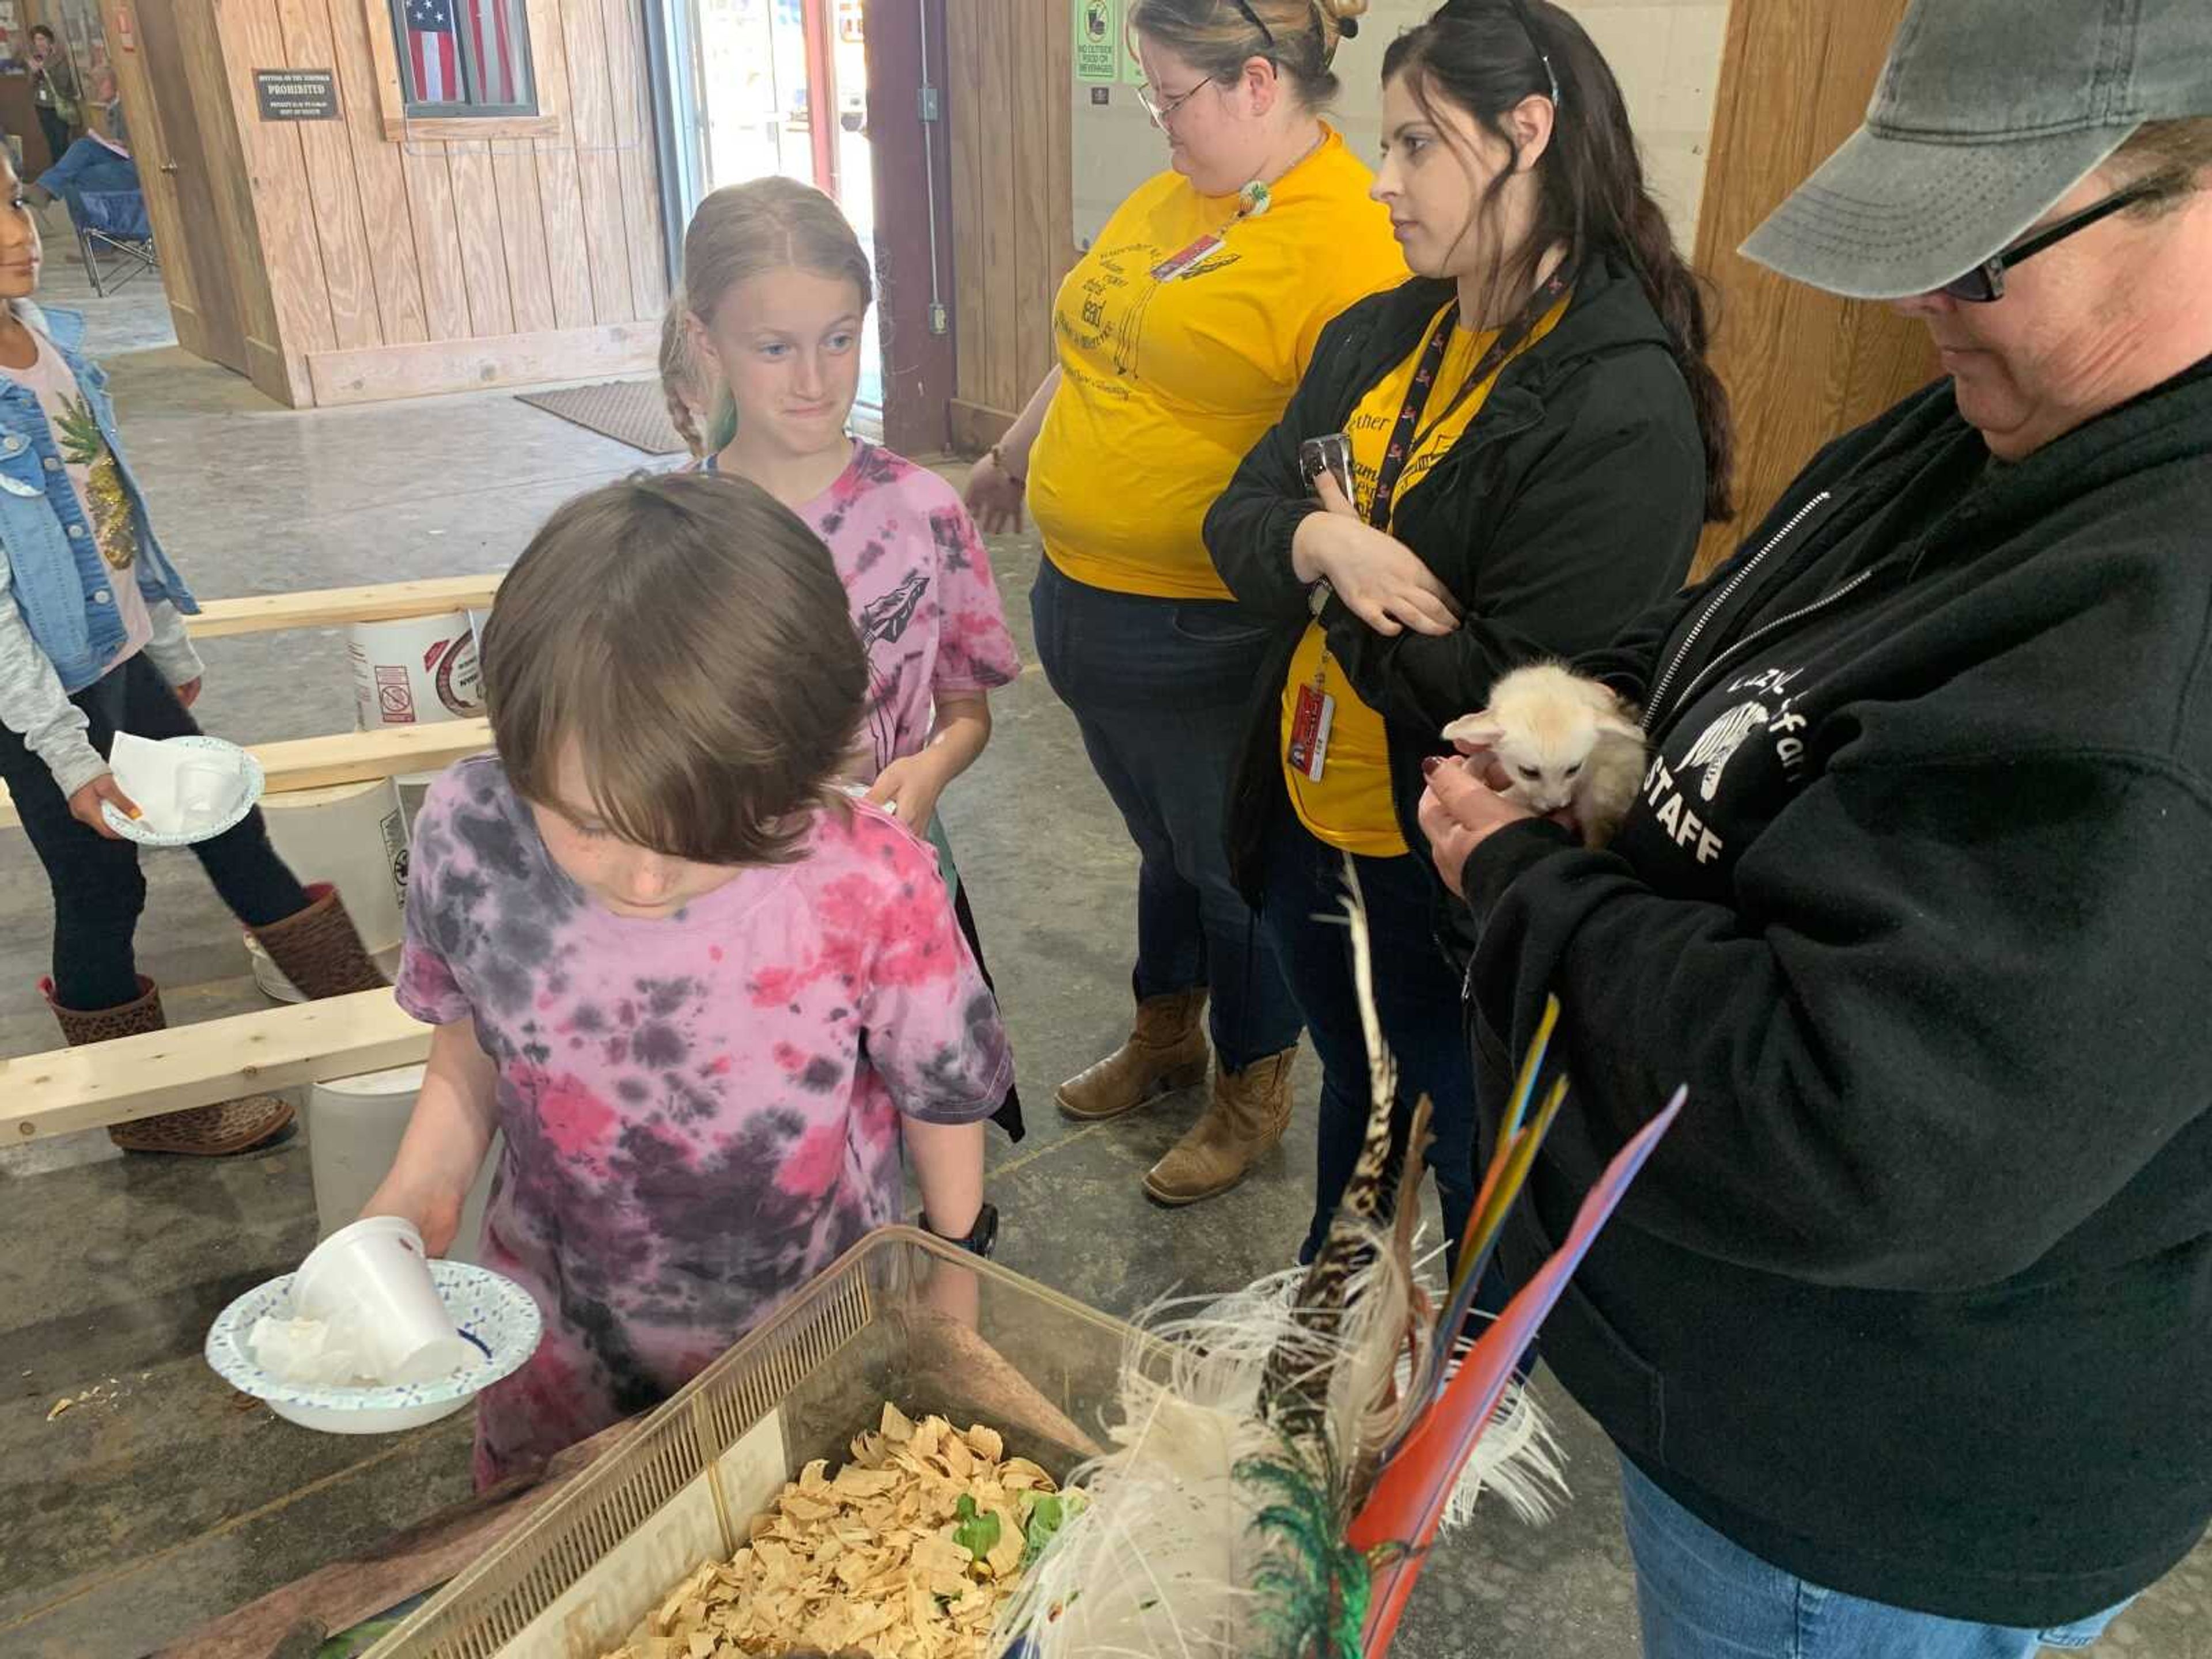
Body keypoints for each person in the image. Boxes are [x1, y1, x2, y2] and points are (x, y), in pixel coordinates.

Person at [1416, 0, 2212, 1652]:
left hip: (1874, 1508)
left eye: (1983, 249)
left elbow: (1851, 1126)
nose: (1927, 297)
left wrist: (1511, 876)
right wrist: (1578, 713)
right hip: (1739, 1378)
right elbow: (1761, 625)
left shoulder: (2158, 650)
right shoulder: (2013, 413)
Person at [1205, 0, 1728, 1268]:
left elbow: (1505, 703)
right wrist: (1319, 543)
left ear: (1527, 133)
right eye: (1383, 147)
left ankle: (1440, 1399)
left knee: (1470, 1135)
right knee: (1361, 1082)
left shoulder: (1619, 407)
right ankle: (1335, 1311)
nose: (1382, 185)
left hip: (1452, 864)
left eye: (1417, 147)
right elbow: (1237, 518)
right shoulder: (1389, 331)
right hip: (1308, 808)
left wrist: (1322, 579)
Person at [362, 474, 1010, 1486]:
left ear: (791, 769)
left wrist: (954, 1290)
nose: (649, 875)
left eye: (708, 835)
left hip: (808, 1340)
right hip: (560, 1349)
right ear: (518, 751)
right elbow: (470, 1045)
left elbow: (943, 1096)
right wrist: (421, 1184)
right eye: (591, 825)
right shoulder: (473, 834)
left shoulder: (867, 878)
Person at [965, 0, 1407, 1208]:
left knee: (1237, 870)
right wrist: (1012, 453)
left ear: (1258, 82)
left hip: (1212, 629)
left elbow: (1353, 459)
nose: (1158, 119)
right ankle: (1166, 1037)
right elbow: (1097, 335)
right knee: (1162, 849)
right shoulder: (1174, 197)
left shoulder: (1348, 243)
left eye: (1173, 96)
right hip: (1090, 607)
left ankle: (1250, 1088)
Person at [0, 148, 386, 1157]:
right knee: (101, 887)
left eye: (10, 200)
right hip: (41, 699)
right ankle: (149, 1110)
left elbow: (113, 506)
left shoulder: (51, 346)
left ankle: (378, 1027)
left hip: (114, 653)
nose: (17, 229)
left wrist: (159, 636)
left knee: (230, 821)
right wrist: (68, 753)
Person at [667, 176, 1027, 1139]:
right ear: (708, 342)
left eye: (840, 337)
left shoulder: (924, 512)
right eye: (773, 348)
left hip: (891, 883)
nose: (815, 380)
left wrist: (933, 769)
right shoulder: (667, 536)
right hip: (723, 904)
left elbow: (966, 707)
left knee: (911, 1113)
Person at [25, 26, 77, 176]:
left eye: (42, 39)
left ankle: (67, 176)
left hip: (58, 106)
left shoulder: (59, 58)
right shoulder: (36, 59)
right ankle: (57, 176)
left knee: (62, 142)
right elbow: (31, 85)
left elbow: (64, 82)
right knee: (52, 142)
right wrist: (35, 73)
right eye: (36, 40)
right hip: (42, 106)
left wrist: (44, 69)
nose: (39, 43)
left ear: (50, 40)